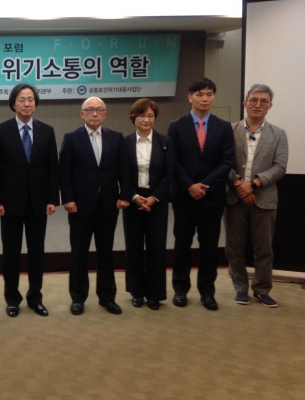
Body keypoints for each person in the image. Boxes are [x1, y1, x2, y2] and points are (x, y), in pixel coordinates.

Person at [0, 83, 59, 318]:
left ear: (36, 104)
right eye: (22, 99)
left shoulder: (47, 131)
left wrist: (52, 199)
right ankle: (12, 299)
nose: (27, 103)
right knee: (11, 253)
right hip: (10, 204)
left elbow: (52, 167)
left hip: (38, 203)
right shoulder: (1, 130)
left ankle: (35, 298)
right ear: (13, 104)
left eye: (30, 99)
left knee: (37, 253)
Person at [58, 96, 131, 316]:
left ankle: (107, 297)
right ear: (82, 114)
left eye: (99, 110)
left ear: (105, 114)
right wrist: (67, 199)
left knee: (106, 253)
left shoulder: (116, 138)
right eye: (90, 110)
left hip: (108, 205)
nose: (95, 114)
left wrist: (125, 196)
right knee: (79, 252)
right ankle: (78, 297)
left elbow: (124, 169)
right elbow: (64, 172)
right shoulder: (71, 138)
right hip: (80, 206)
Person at [167, 77, 234, 311]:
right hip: (184, 196)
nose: (205, 98)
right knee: (182, 245)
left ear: (213, 97)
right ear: (190, 97)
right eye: (199, 94)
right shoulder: (176, 125)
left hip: (212, 197)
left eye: (209, 94)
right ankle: (180, 289)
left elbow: (227, 161)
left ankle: (207, 292)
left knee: (209, 247)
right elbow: (172, 160)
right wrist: (189, 186)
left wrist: (204, 184)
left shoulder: (224, 127)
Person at [225, 84, 288, 307]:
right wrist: (238, 184)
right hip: (235, 198)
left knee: (263, 249)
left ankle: (262, 290)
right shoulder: (229, 130)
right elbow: (223, 162)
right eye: (253, 100)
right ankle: (240, 288)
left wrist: (253, 185)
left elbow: (280, 167)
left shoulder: (278, 134)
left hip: (264, 199)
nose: (257, 104)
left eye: (263, 101)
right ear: (245, 103)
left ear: (270, 106)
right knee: (234, 248)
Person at [123, 99, 174, 310]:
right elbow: (121, 174)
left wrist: (155, 197)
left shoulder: (165, 142)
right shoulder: (124, 142)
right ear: (134, 117)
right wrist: (134, 196)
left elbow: (169, 173)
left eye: (150, 116)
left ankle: (155, 294)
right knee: (133, 247)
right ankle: (136, 292)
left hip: (157, 201)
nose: (146, 119)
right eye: (142, 115)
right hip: (133, 201)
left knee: (156, 248)